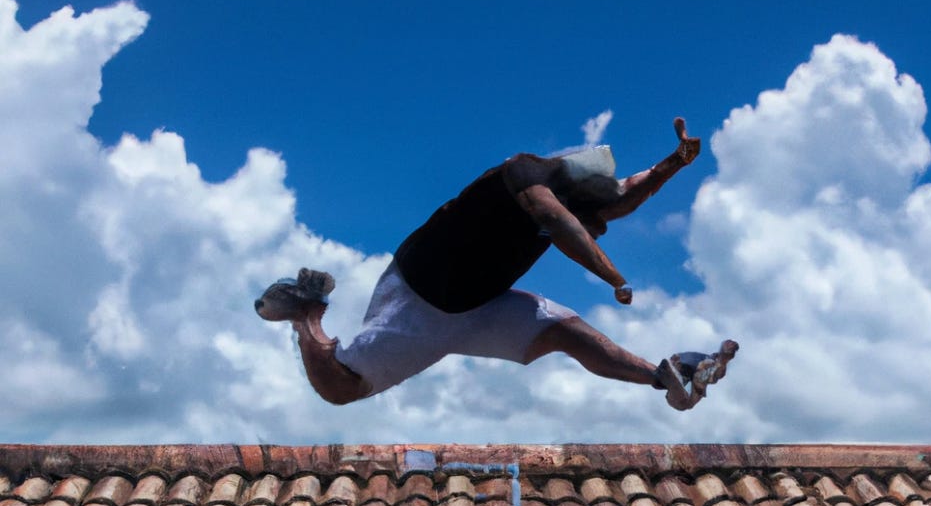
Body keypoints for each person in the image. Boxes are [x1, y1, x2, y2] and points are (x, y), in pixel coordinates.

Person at [255, 118, 737, 410]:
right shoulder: (526, 175)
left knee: (569, 333)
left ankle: (666, 377)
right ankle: (306, 313)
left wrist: (674, 162)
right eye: (594, 220)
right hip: (422, 302)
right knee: (340, 388)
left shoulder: (573, 193)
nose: (601, 228)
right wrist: (615, 277)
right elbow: (558, 222)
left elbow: (625, 193)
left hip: (484, 304)